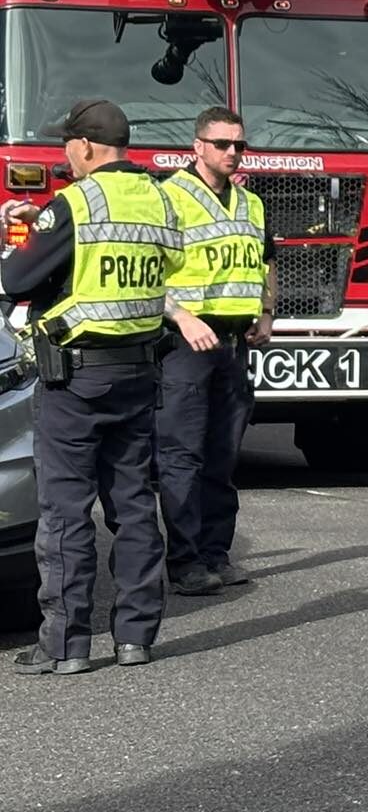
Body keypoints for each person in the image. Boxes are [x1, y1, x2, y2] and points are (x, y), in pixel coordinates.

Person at [5, 99, 182, 675]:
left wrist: (33, 238)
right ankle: (135, 638)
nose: (65, 156)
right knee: (133, 508)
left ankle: (64, 645)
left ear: (84, 146)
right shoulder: (160, 198)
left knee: (64, 513)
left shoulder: (76, 202)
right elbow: (165, 263)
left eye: (67, 147)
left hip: (76, 380)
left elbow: (15, 279)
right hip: (138, 371)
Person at [157, 107, 276, 595]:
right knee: (180, 456)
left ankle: (215, 554)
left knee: (223, 456)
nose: (232, 152)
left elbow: (267, 262)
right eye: (222, 143)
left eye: (239, 145)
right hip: (185, 344)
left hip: (234, 345)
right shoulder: (168, 199)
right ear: (197, 146)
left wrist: (267, 314)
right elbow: (149, 273)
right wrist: (182, 317)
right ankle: (184, 562)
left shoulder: (252, 203)